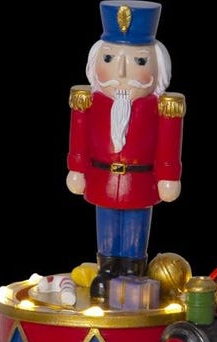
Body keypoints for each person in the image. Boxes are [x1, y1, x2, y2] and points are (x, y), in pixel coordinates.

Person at [66, 0, 185, 300]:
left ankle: (132, 269)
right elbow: (79, 137)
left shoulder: (161, 108)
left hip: (139, 180)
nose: (121, 72)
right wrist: (76, 167)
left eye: (139, 62)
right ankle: (107, 268)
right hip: (102, 176)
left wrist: (168, 174)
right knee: (106, 221)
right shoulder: (90, 102)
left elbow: (168, 144)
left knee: (135, 222)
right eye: (109, 58)